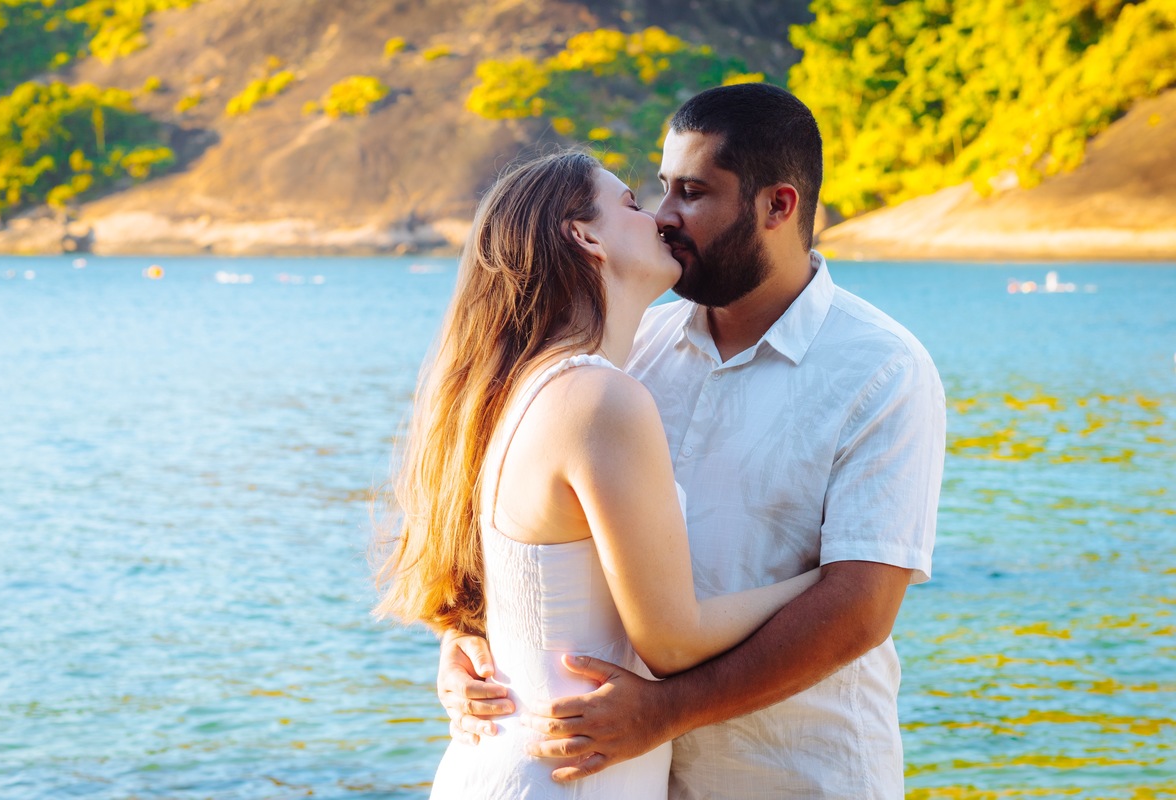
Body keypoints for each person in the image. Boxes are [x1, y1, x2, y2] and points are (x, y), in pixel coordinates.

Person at [437, 83, 946, 798]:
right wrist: (473, 640)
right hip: (626, 775)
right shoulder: (628, 350)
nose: (667, 215)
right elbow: (534, 519)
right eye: (659, 189)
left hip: (796, 778)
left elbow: (860, 611)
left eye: (693, 191)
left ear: (778, 206)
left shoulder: (883, 370)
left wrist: (666, 713)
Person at [375, 150, 824, 799]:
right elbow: (672, 639)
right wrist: (825, 580)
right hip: (565, 778)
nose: (663, 220)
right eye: (634, 205)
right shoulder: (599, 399)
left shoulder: (521, 390)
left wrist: (460, 639)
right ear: (584, 236)